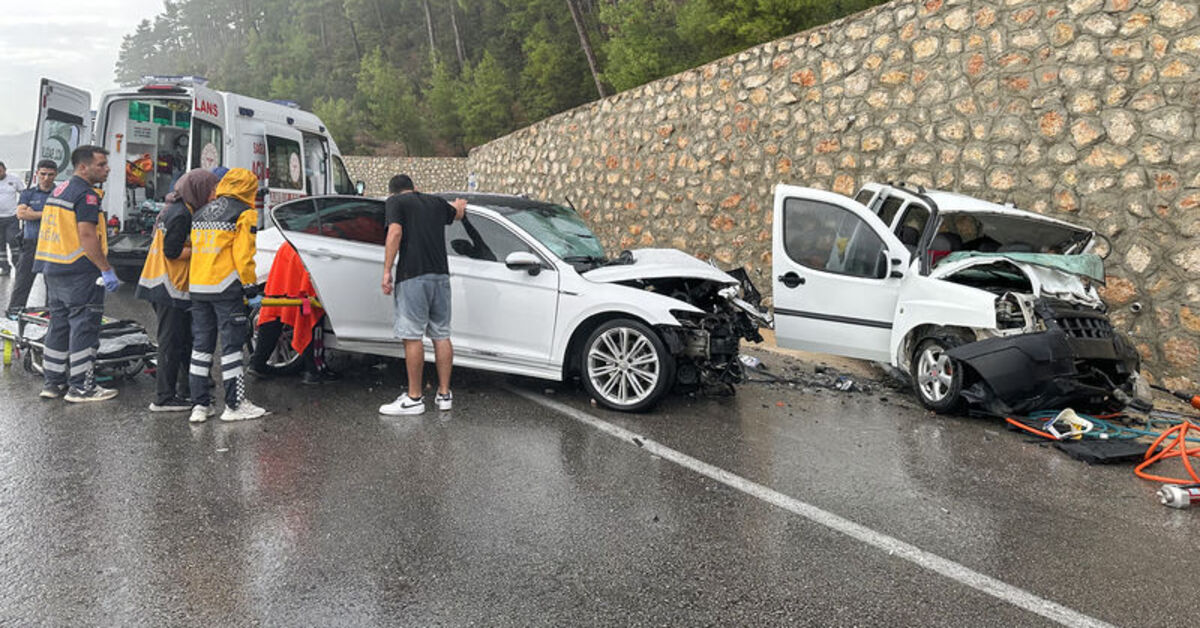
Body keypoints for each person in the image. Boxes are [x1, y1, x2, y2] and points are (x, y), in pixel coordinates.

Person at [33, 146, 121, 402]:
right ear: (83, 167)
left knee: (58, 326)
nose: (107, 169)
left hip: (54, 267)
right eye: (101, 165)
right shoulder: (86, 195)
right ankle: (82, 387)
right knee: (84, 326)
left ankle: (53, 382)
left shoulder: (60, 189)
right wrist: (105, 268)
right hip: (79, 269)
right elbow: (86, 235)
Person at [379, 174, 466, 416]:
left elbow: (395, 233)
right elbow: (457, 213)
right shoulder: (436, 202)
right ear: (415, 188)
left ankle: (414, 398)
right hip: (440, 276)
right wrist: (460, 206)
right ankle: (444, 395)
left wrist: (387, 270)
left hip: (413, 276)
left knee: (412, 336)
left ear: (393, 192)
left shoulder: (395, 202)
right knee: (441, 334)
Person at [135, 168, 219, 413]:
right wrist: (203, 249)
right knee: (170, 343)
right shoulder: (181, 214)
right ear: (198, 189)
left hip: (166, 285)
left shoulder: (179, 209)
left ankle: (185, 390)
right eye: (211, 189)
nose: (214, 194)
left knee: (182, 341)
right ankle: (163, 397)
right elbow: (171, 251)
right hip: (167, 286)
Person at [187, 168, 267, 423]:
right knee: (232, 347)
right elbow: (243, 256)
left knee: (201, 347)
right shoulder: (244, 213)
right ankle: (235, 405)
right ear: (248, 187)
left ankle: (200, 405)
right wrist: (250, 287)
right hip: (225, 288)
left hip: (198, 286)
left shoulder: (200, 212)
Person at [248, 241, 339, 385]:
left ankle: (257, 363)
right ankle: (314, 370)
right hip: (310, 253)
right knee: (309, 313)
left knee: (275, 310)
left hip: (289, 252)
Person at [8, 160, 57, 316]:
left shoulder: (60, 193)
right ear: (37, 174)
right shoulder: (28, 193)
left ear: (55, 175)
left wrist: (33, 213)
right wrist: (48, 213)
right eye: (43, 174)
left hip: (53, 244)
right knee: (23, 281)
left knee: (53, 283)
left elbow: (63, 217)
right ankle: (14, 313)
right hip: (31, 243)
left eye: (50, 174)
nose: (46, 178)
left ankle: (50, 315)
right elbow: (21, 214)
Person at [0, 161, 25, 277]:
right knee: (0, 245)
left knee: (12, 240)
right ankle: (4, 267)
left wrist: (21, 207)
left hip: (11, 217)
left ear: (5, 169)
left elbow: (23, 193)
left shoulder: (14, 180)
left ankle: (18, 264)